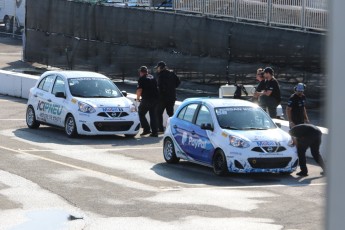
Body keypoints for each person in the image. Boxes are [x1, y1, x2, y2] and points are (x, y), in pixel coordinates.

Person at [155, 61, 181, 133]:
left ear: (160, 68)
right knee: (170, 113)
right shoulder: (171, 73)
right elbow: (178, 82)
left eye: (157, 68)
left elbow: (159, 87)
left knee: (158, 113)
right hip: (171, 97)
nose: (157, 69)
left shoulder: (161, 75)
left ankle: (160, 129)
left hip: (162, 98)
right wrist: (172, 88)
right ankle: (172, 129)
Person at [136, 66, 159, 137]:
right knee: (153, 115)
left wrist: (138, 98)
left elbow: (139, 90)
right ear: (147, 71)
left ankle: (146, 129)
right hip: (155, 99)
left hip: (147, 99)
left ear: (141, 72)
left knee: (141, 113)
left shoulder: (142, 79)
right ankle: (155, 132)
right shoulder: (152, 77)